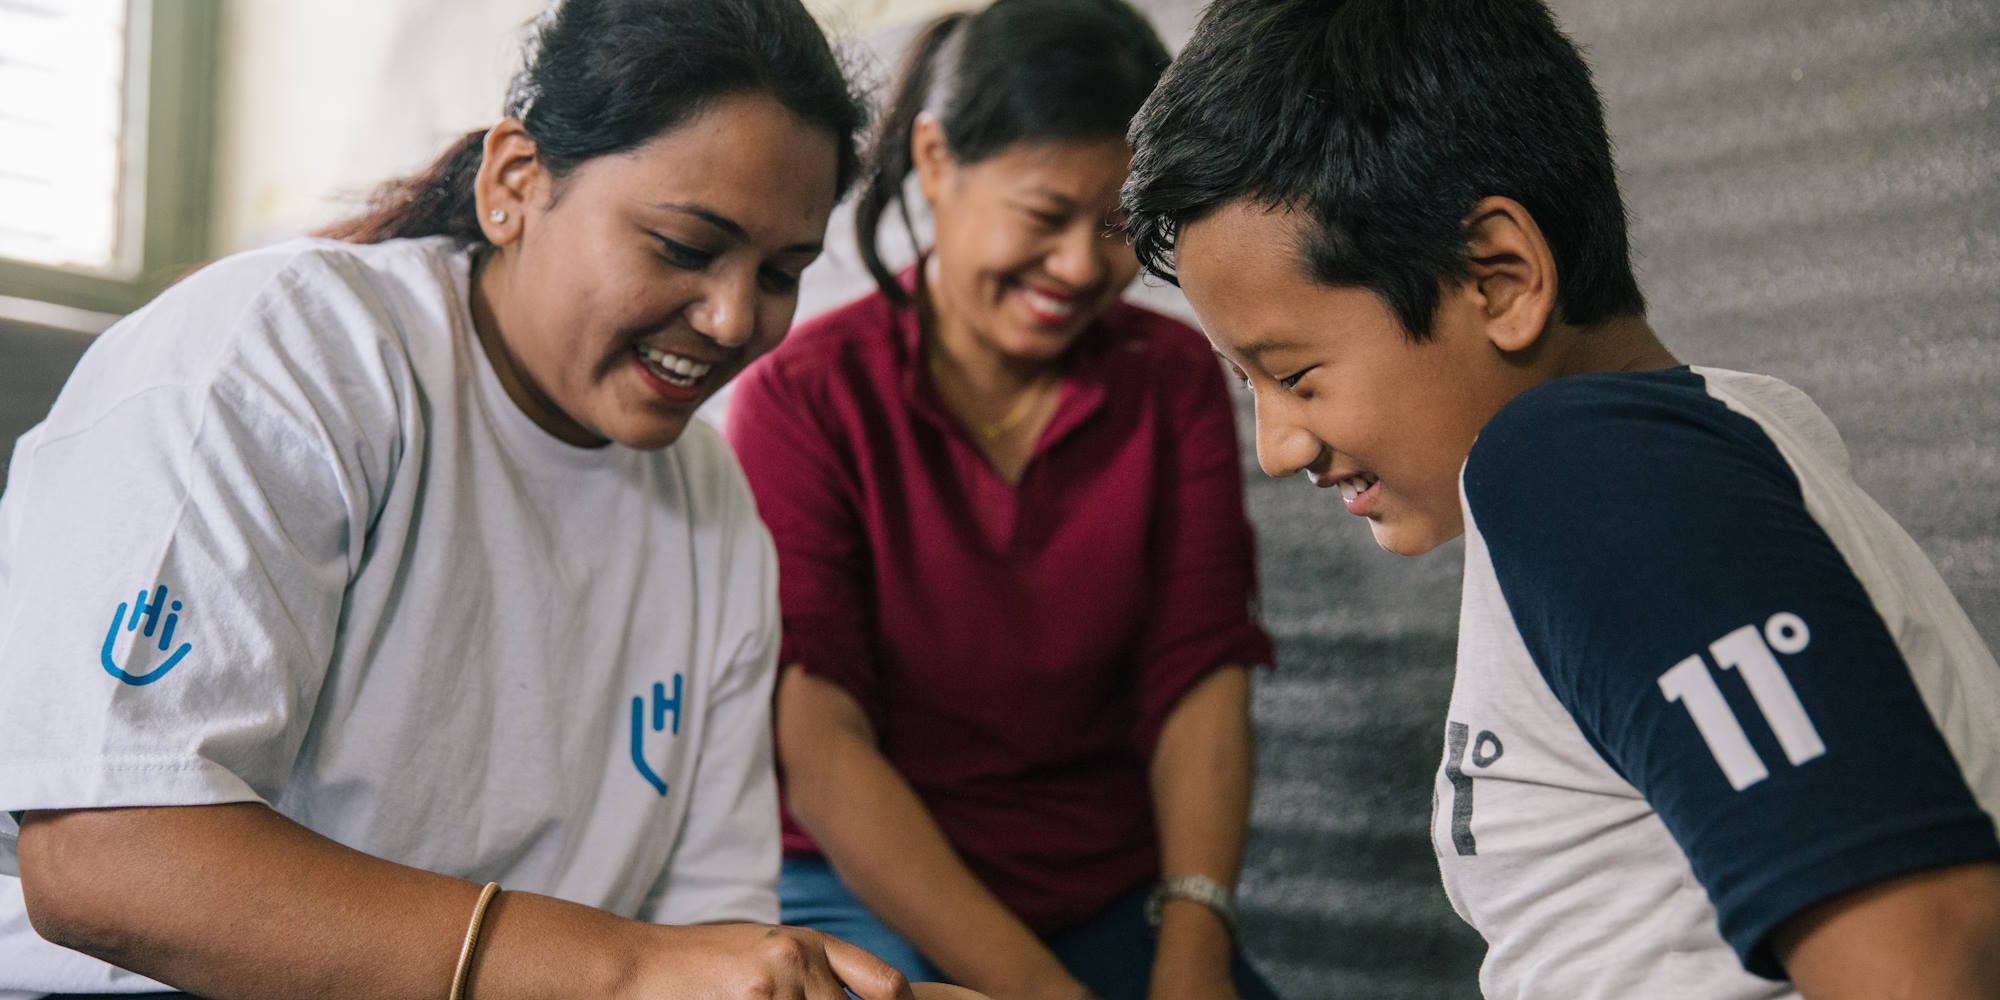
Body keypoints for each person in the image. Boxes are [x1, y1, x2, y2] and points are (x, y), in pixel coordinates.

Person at [0, 1, 919, 997]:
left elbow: (711, 923)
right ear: (514, 182)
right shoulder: (288, 356)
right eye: (683, 248)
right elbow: (107, 859)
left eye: (781, 273)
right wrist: (624, 969)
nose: (734, 316)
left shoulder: (710, 505)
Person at [1119, 0, 2000, 997]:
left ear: (1496, 278)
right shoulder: (1684, 450)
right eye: (1247, 385)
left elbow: (1925, 951)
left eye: (1294, 373)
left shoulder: (1591, 471)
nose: (1276, 448)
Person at [722, 2, 1281, 998]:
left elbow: (1197, 669)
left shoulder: (1172, 380)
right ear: (934, 161)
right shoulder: (801, 400)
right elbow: (820, 744)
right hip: (867, 888)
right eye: (1043, 216)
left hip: (1104, 888)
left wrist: (1195, 938)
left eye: (1114, 227)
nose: (1078, 265)